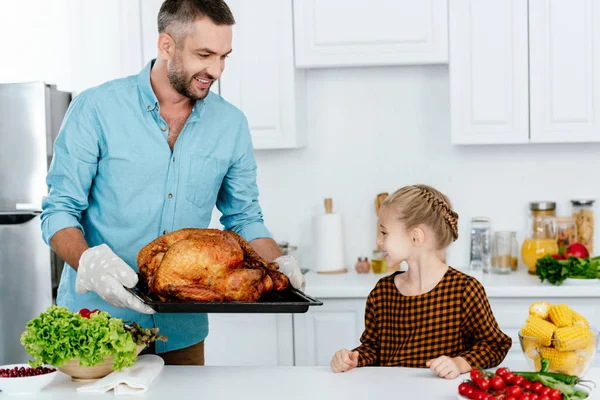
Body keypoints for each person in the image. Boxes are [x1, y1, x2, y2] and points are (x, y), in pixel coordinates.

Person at [40, 0, 305, 366]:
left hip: (179, 334)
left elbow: (243, 218)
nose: (216, 70)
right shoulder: (96, 109)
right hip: (96, 326)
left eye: (224, 56)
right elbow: (58, 212)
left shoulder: (231, 125)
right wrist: (89, 262)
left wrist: (279, 263)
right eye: (205, 54)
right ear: (167, 45)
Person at [330, 185, 511, 379]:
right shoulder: (382, 292)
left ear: (416, 237)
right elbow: (374, 348)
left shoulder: (464, 290)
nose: (378, 241)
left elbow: (495, 346)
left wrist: (459, 363)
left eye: (384, 233)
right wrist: (354, 358)